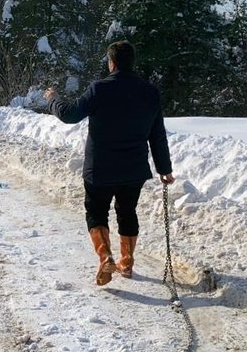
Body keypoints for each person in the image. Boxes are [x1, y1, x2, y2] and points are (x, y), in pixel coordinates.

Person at [44, 40, 174, 286]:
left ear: (111, 63)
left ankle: (106, 257)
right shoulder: (150, 92)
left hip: (100, 168)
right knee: (127, 211)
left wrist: (53, 99)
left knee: (96, 212)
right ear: (132, 62)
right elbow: (157, 135)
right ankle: (127, 262)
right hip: (133, 169)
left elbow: (70, 115)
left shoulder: (99, 89)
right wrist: (164, 169)